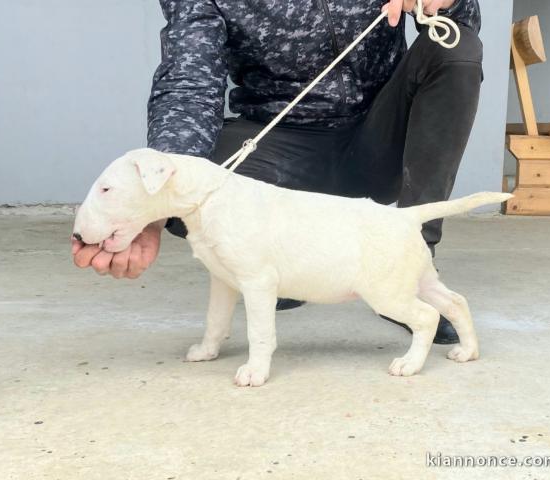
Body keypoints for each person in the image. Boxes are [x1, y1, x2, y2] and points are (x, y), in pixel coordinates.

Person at [73, 0, 483, 344]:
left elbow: (459, 26)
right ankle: (286, 267)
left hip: (379, 136)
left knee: (456, 49)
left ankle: (409, 264)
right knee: (196, 178)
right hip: (277, 148)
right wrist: (154, 205)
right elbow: (188, 82)